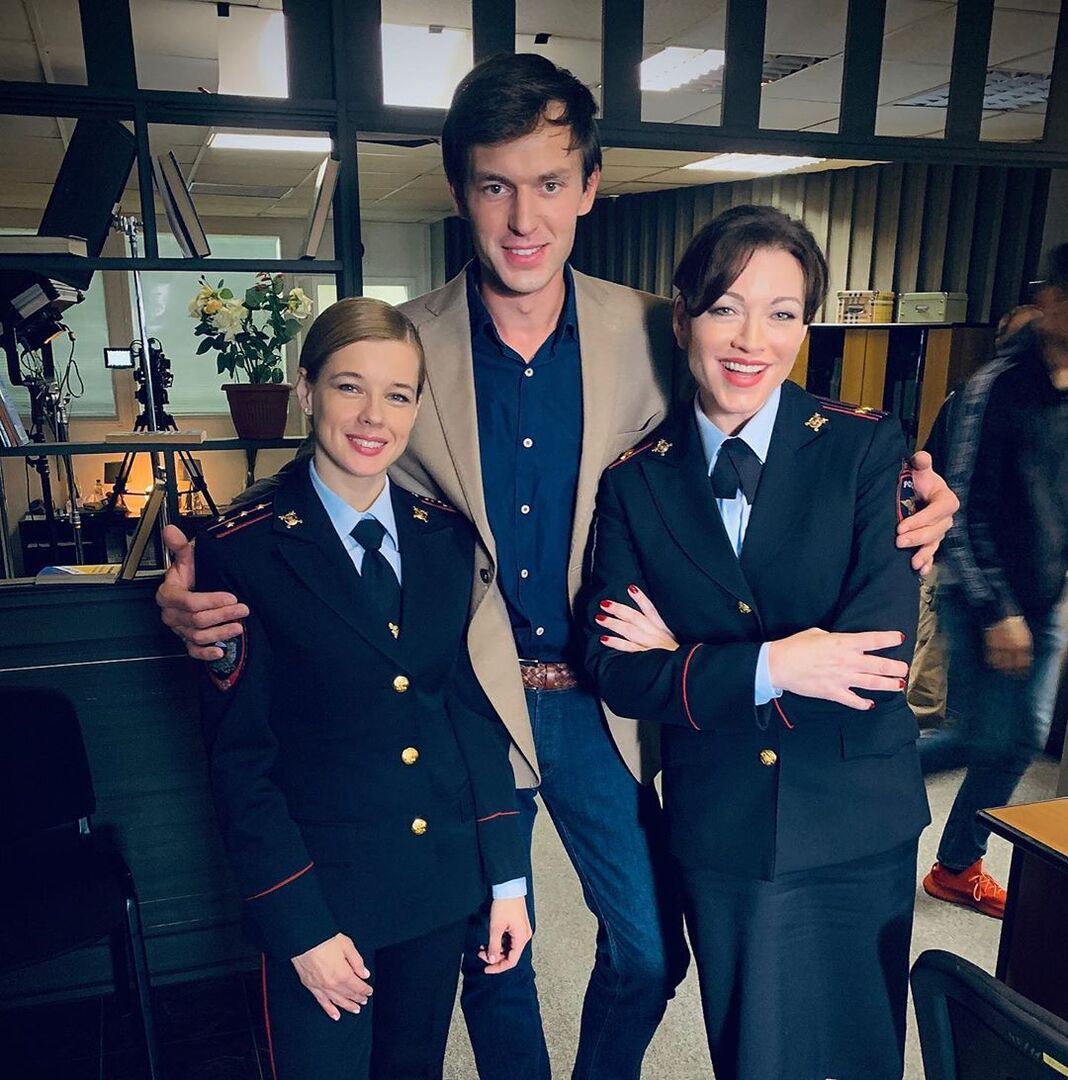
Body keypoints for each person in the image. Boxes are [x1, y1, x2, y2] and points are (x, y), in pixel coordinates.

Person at [155, 55, 957, 1080]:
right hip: (471, 695)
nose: (523, 217)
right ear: (461, 192)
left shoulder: (661, 328)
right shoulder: (412, 340)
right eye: (496, 185)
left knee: (649, 948)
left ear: (589, 188)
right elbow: (341, 452)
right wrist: (210, 568)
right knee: (497, 958)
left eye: (549, 182)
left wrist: (915, 496)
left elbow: (753, 429)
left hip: (602, 695)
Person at [585, 205, 930, 1080]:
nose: (751, 340)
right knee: (754, 1056)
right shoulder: (634, 482)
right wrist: (781, 662)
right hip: (724, 824)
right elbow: (619, 671)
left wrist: (689, 659)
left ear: (805, 327)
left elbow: (878, 661)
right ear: (682, 318)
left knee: (861, 1054)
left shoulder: (864, 446)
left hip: (856, 816)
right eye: (725, 308)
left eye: (782, 313)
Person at [197, 296, 531, 1080]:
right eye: (350, 386)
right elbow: (240, 764)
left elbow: (468, 717)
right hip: (324, 903)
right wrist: (299, 928)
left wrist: (508, 879)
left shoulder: (446, 540)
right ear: (306, 389)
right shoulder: (241, 552)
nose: (373, 415)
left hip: (436, 889)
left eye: (398, 394)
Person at [921, 251, 1068, 918]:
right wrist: (997, 609)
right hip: (985, 595)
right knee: (982, 737)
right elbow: (958, 506)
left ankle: (956, 865)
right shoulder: (993, 387)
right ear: (1051, 301)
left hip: (1045, 597)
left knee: (1018, 738)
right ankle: (844, 774)